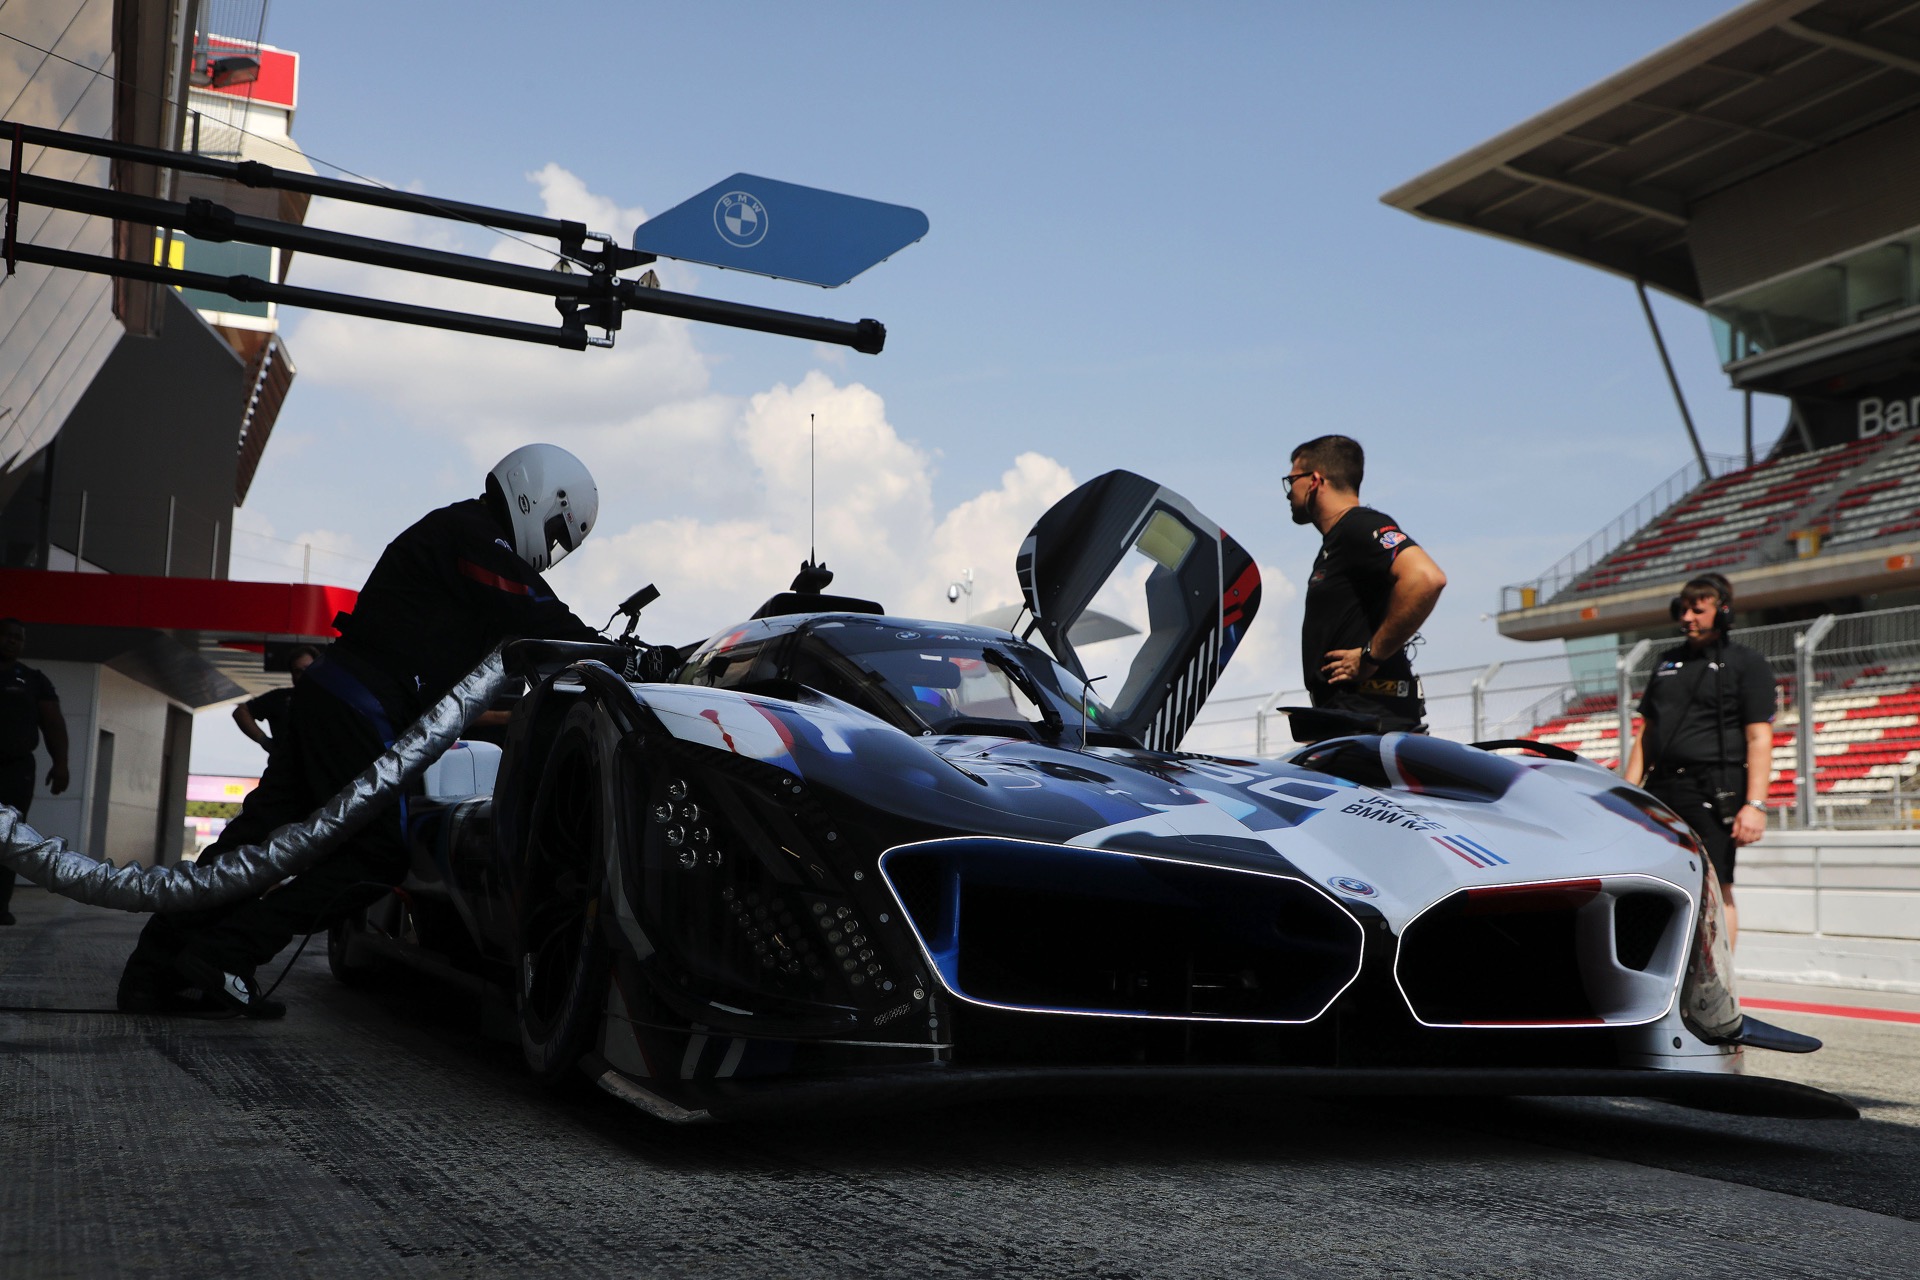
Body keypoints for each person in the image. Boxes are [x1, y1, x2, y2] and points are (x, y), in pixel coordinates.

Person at [118, 444, 607, 1015]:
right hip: (358, 709)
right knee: (375, 857)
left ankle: (152, 971)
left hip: (331, 700)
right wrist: (612, 653)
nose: (549, 551)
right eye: (555, 533)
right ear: (537, 496)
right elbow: (533, 609)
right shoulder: (474, 537)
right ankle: (227, 953)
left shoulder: (462, 533)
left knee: (253, 840)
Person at [1625, 572, 1773, 947]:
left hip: (1714, 786)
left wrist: (1755, 805)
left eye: (1698, 610)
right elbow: (1647, 731)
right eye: (1683, 609)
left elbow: (1759, 736)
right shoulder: (1666, 662)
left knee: (1717, 885)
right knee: (1652, 878)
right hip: (1661, 787)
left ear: (1722, 612)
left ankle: (1719, 975)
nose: (1687, 618)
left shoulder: (1747, 663)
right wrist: (1627, 790)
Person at [1287, 434, 1447, 734]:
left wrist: (1371, 655)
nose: (1287, 492)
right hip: (1351, 721)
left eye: (1291, 480)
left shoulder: (1358, 525)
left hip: (1369, 727)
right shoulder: (1340, 539)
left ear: (1315, 481)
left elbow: (1426, 578)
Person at [0, 618, 70, 926]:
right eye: (7, 635)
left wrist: (61, 764)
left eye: (18, 637)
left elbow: (53, 724)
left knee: (8, 838)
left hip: (15, 771)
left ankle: (0, 905)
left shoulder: (33, 680)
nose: (12, 641)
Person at [231, 646, 319, 754]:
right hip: (286, 762)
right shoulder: (279, 698)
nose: (304, 675)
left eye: (308, 669)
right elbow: (241, 712)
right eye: (298, 671)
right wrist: (263, 740)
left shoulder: (331, 700)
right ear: (292, 675)